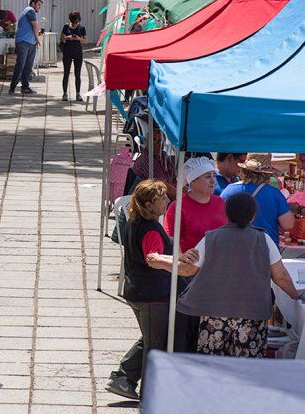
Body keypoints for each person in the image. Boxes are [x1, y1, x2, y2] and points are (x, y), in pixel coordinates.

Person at [158, 193, 305, 357]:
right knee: (246, 366)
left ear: (226, 213)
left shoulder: (211, 238)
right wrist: (296, 295)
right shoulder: (264, 239)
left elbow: (188, 270)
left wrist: (159, 261)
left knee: (214, 363)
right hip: (251, 315)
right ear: (253, 215)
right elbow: (281, 276)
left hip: (215, 313)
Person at [105, 180, 185, 401]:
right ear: (150, 204)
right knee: (155, 345)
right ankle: (149, 393)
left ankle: (123, 377)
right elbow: (153, 258)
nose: (168, 201)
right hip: (152, 295)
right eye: (163, 198)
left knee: (150, 337)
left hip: (139, 291)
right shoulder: (150, 229)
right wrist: (179, 262)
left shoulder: (135, 221)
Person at [162, 157, 227, 353]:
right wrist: (181, 257)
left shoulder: (220, 203)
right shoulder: (178, 206)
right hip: (190, 277)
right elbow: (170, 240)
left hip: (218, 275)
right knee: (188, 328)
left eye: (213, 176)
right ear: (193, 181)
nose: (213, 181)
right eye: (207, 177)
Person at [221, 153, 294, 243]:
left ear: (244, 170)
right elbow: (288, 224)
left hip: (234, 246)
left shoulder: (228, 190)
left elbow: (220, 221)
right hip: (266, 247)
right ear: (267, 174)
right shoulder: (274, 193)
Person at [129, 125, 177, 200]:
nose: (157, 143)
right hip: (150, 199)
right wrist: (182, 197)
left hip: (165, 196)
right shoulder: (146, 160)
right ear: (147, 141)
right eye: (154, 140)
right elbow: (161, 186)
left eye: (160, 141)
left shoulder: (163, 156)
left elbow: (174, 178)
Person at [9, 0, 43, 95]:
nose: (39, 7)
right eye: (38, 4)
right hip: (23, 42)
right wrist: (38, 39)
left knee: (28, 66)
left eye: (40, 5)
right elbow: (35, 26)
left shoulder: (30, 12)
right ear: (33, 3)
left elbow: (34, 28)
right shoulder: (30, 10)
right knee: (20, 65)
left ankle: (25, 87)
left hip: (31, 43)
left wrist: (36, 36)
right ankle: (12, 88)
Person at [59, 11, 87, 102]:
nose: (74, 23)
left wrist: (78, 38)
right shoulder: (66, 26)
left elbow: (85, 41)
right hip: (67, 52)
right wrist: (68, 37)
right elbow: (61, 38)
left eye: (76, 21)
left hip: (78, 53)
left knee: (77, 74)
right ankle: (64, 93)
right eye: (73, 21)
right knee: (66, 73)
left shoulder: (82, 28)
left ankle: (78, 94)